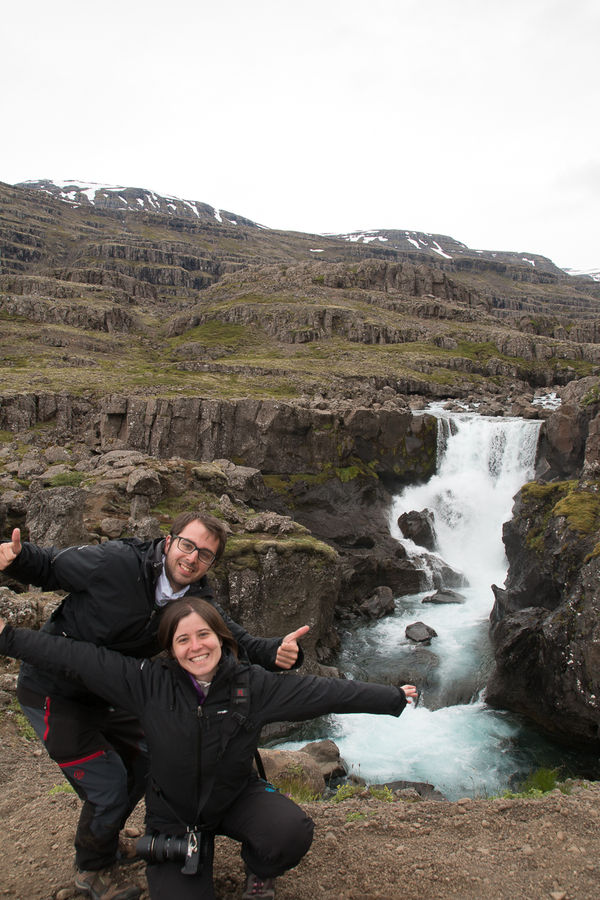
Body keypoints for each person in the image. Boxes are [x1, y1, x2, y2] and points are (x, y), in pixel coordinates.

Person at [0, 598, 417, 900]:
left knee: (289, 832)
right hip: (174, 818)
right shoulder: (146, 682)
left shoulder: (253, 685)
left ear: (222, 638)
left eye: (204, 635)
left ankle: (260, 872)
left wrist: (392, 697)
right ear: (170, 648)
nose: (196, 647)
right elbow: (74, 657)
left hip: (236, 796)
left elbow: (328, 693)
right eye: (183, 640)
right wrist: (7, 637)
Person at [0, 513, 308, 900]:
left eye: (206, 555)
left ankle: (105, 835)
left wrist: (279, 652)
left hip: (113, 693)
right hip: (53, 690)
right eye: (188, 545)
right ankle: (93, 869)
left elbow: (237, 641)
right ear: (169, 541)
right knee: (108, 785)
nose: (193, 558)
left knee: (146, 759)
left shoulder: (196, 600)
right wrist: (16, 557)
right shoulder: (115, 563)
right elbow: (50, 566)